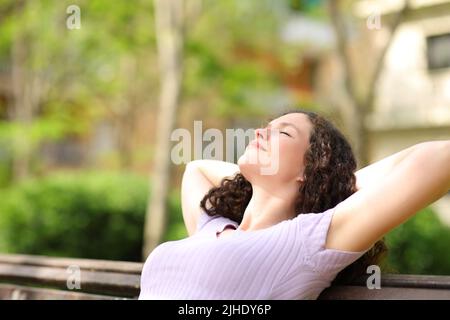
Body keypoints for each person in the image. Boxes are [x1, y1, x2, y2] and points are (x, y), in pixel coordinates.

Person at [139, 110, 450, 300]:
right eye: (267, 126)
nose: (260, 132)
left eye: (283, 132)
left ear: (311, 167)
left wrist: (336, 183)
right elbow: (196, 169)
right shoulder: (212, 226)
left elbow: (438, 159)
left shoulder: (303, 244)